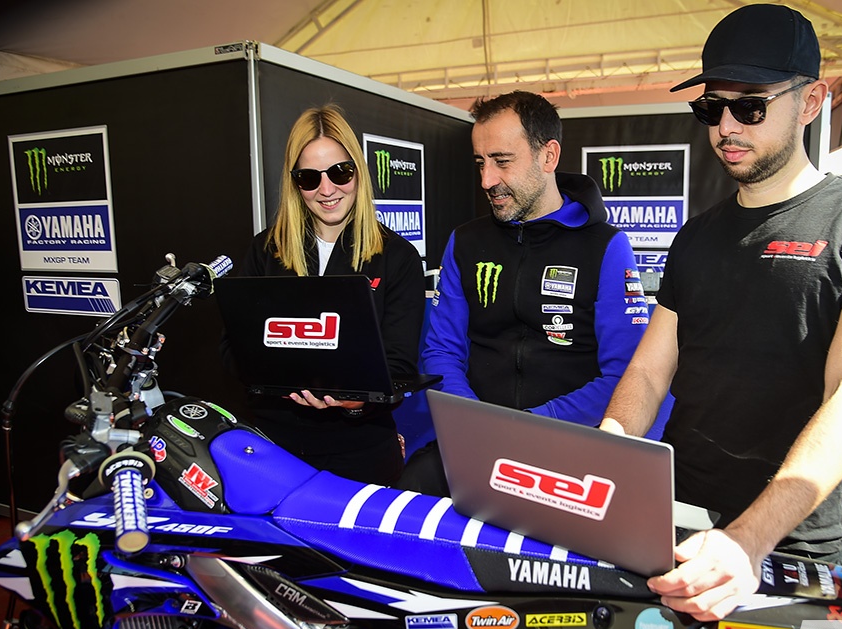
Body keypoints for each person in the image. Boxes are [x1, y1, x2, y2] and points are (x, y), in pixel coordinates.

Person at [599, 5, 842, 629]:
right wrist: (606, 454)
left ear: (810, 101)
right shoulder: (697, 235)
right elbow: (649, 372)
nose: (726, 126)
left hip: (788, 537)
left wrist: (747, 541)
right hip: (680, 510)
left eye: (749, 106)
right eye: (712, 107)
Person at [398, 90, 649, 494]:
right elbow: (442, 350)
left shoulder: (606, 246)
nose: (487, 180)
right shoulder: (465, 241)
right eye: (480, 163)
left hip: (568, 446)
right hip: (475, 438)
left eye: (502, 161)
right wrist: (474, 421)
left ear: (548, 156)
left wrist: (529, 427)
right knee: (409, 492)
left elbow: (624, 374)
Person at [221, 104, 425, 486]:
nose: (327, 189)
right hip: (272, 449)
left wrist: (356, 401)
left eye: (340, 172)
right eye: (309, 178)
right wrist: (282, 379)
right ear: (294, 183)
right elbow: (233, 351)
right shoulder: (265, 250)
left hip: (361, 452)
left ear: (358, 171)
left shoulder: (397, 257)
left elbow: (399, 368)